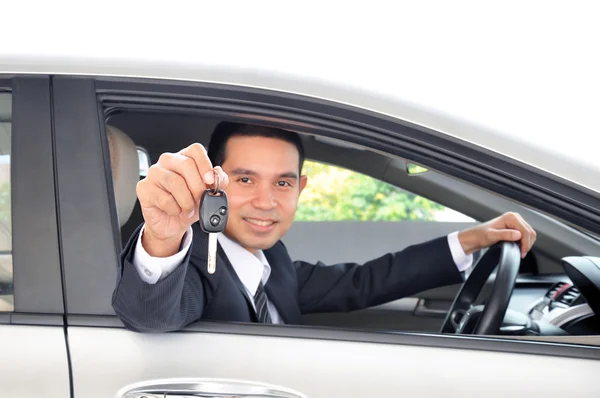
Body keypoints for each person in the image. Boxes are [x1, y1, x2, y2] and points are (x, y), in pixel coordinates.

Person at [112, 122, 537, 332]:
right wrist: (164, 238)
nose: (267, 201)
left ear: (301, 187)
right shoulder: (195, 269)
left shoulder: (271, 260)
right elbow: (150, 314)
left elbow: (360, 282)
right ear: (214, 184)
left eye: (283, 182)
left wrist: (472, 239)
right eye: (244, 180)